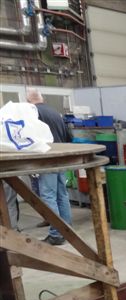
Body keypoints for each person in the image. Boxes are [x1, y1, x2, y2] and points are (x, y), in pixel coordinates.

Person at [26, 87, 73, 245]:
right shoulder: (55, 113)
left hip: (46, 159)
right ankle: (67, 231)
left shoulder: (33, 113)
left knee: (48, 196)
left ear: (28, 101)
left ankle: (56, 234)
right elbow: (68, 137)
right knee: (62, 195)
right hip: (60, 158)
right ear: (42, 98)